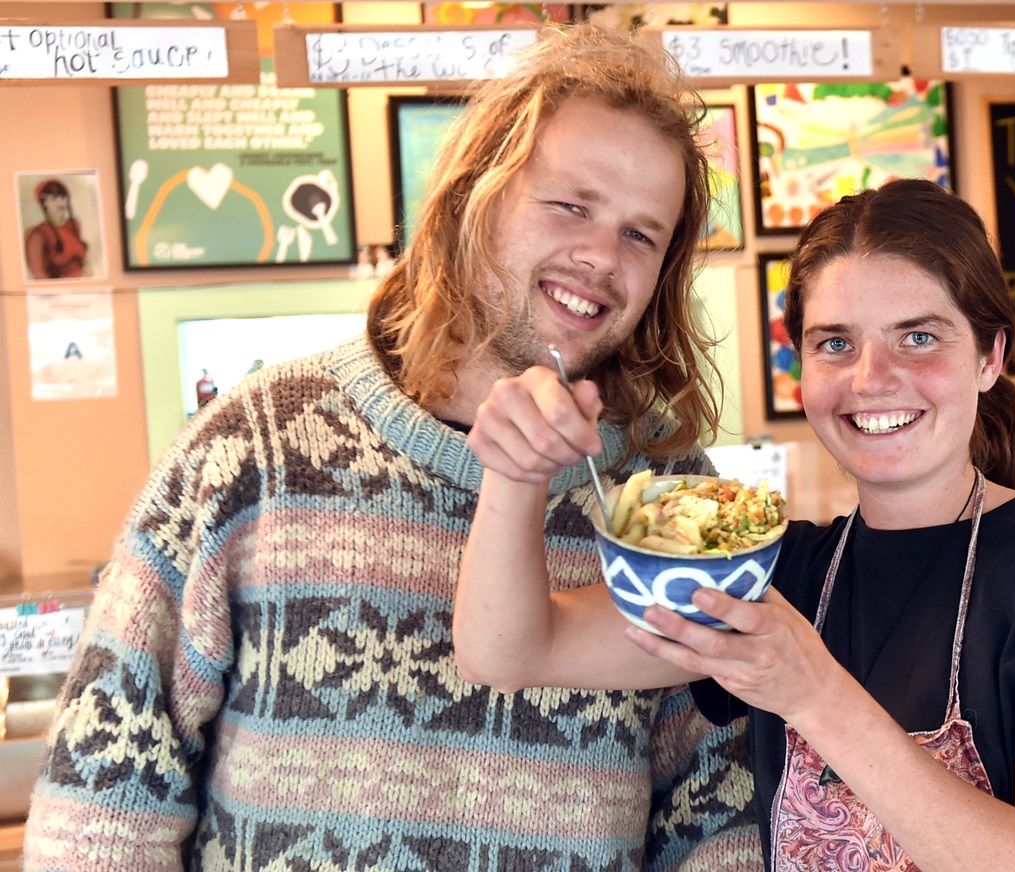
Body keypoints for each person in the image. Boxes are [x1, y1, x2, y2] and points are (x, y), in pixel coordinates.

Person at [25, 25, 758, 871]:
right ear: (471, 200)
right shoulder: (252, 450)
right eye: (570, 205)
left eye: (642, 234)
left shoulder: (671, 501)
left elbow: (721, 813)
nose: (600, 256)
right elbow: (101, 807)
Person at [455, 178, 1015, 871]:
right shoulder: (774, 574)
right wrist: (516, 473)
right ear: (802, 369)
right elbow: (510, 649)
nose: (871, 377)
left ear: (990, 356)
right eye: (835, 343)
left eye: (919, 337)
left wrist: (813, 693)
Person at [24, 178, 89, 280]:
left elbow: (84, 263)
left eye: (63, 197)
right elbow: (39, 275)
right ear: (44, 204)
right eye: (54, 199)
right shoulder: (38, 235)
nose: (60, 202)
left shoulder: (74, 225)